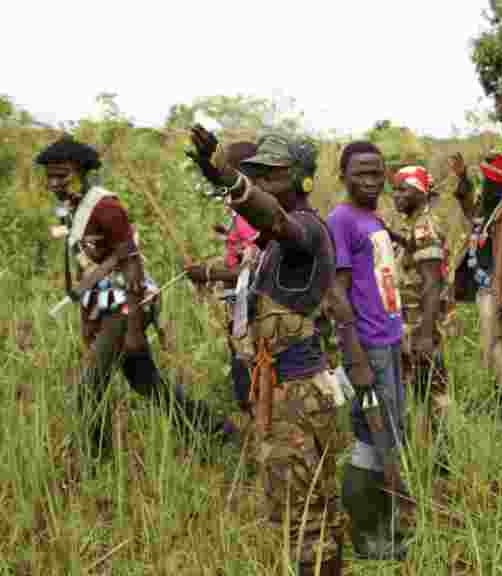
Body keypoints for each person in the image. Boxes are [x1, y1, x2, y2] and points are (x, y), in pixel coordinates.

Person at [188, 126, 342, 575]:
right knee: (314, 510)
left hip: (296, 395)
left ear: (301, 179)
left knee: (306, 518)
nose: (264, 183)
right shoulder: (274, 243)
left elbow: (275, 219)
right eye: (257, 175)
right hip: (285, 390)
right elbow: (248, 259)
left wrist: (232, 183)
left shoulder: (306, 230)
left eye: (272, 176)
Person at [36, 136, 234, 460]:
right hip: (103, 305)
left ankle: (98, 463)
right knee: (147, 383)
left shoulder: (105, 206)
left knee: (88, 392)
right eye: (51, 176)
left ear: (81, 172)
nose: (55, 183)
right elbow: (85, 270)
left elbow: (132, 264)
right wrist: (87, 321)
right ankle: (215, 431)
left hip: (125, 306)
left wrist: (134, 330)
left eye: (63, 175)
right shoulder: (70, 207)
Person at [325, 141, 409, 560]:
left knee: (387, 435)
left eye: (377, 172)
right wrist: (354, 355)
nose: (371, 181)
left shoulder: (371, 217)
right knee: (374, 438)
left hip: (389, 340)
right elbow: (337, 294)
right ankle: (366, 535)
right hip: (368, 346)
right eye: (361, 173)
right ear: (343, 175)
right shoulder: (340, 219)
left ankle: (384, 529)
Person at [449, 150, 502, 432]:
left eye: (486, 181)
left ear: (496, 184)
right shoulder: (492, 207)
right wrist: (462, 178)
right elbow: (471, 212)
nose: (483, 186)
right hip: (488, 292)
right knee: (496, 355)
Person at [184, 140, 261, 414]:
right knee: (246, 371)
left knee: (250, 376)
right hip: (243, 305)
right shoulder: (241, 210)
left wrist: (208, 273)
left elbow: (253, 269)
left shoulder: (250, 214)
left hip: (252, 307)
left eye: (221, 171)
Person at [391, 165, 452, 466]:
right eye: (395, 189)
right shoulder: (413, 225)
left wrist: (426, 334)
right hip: (412, 322)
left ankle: (442, 460)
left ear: (421, 192)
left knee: (432, 391)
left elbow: (431, 283)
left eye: (404, 189)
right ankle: (429, 452)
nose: (396, 195)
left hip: (421, 324)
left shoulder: (424, 226)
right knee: (421, 390)